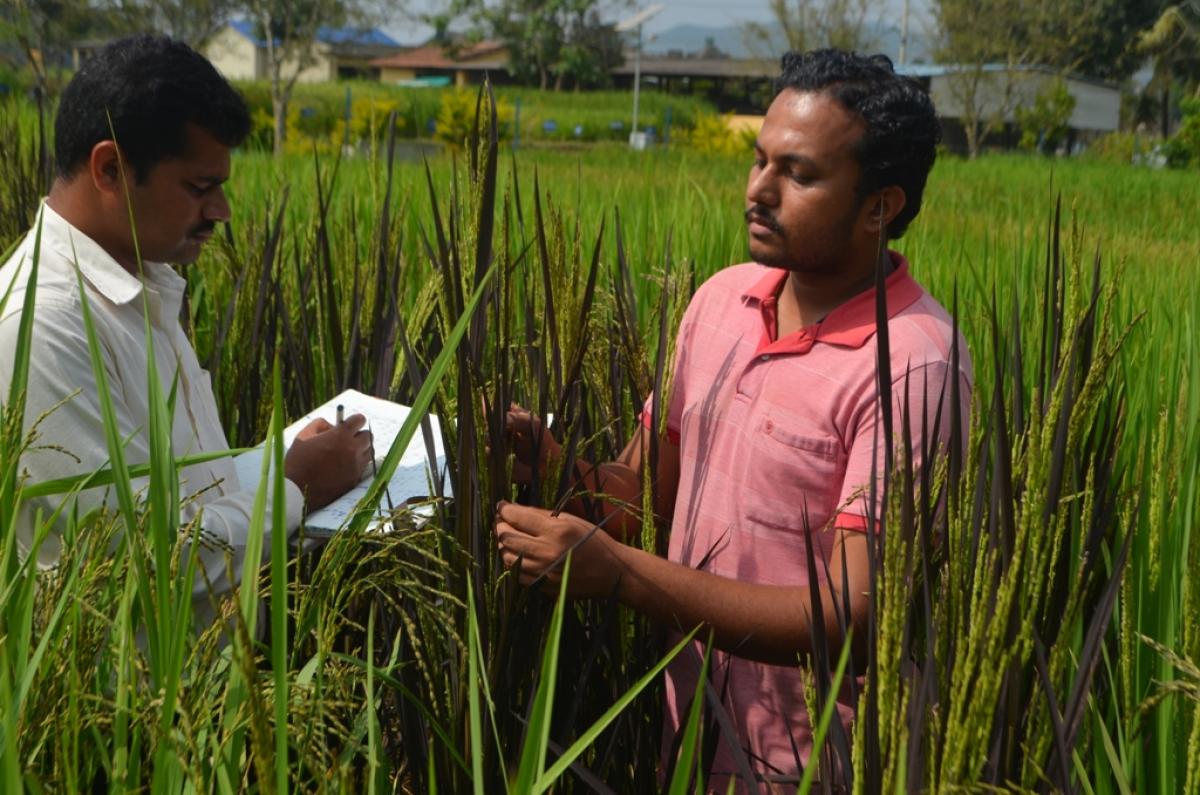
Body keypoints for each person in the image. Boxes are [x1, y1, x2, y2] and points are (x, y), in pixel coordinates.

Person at [495, 49, 973, 790]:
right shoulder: (720, 301)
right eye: (759, 161)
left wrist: (618, 575)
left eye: (800, 174)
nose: (759, 189)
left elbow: (854, 616)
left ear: (881, 206)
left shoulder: (912, 362)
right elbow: (649, 501)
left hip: (811, 764)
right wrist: (558, 468)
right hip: (689, 736)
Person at [0, 35, 373, 628]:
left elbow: (188, 491)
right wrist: (295, 487)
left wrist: (283, 462)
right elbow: (136, 561)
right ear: (110, 168)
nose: (221, 211)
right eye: (200, 188)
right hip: (133, 711)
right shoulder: (42, 327)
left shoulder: (140, 282)